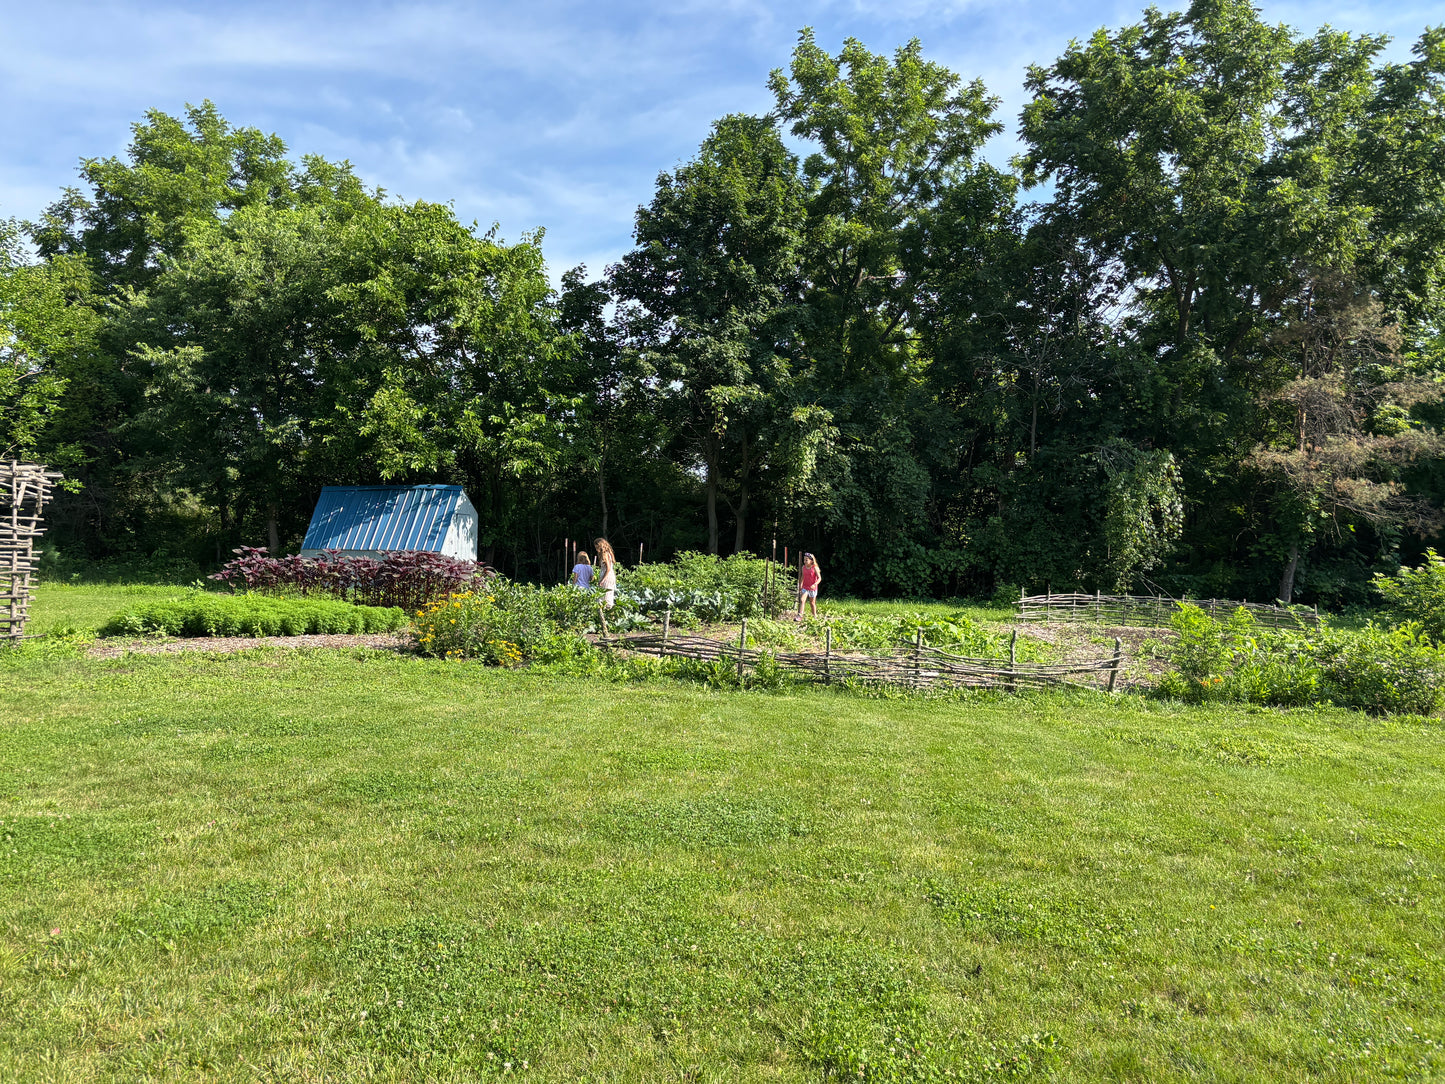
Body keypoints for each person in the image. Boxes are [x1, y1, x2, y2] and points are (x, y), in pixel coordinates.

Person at [594, 537, 618, 609]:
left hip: (607, 577)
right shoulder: (607, 554)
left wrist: (603, 580)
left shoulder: (605, 554)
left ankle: (607, 613)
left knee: (605, 596)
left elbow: (608, 568)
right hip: (608, 576)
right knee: (606, 595)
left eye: (597, 547)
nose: (596, 549)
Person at [796, 552, 822, 618]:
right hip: (805, 587)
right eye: (804, 560)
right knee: (802, 600)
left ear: (811, 561)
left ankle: (814, 616)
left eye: (806, 560)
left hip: (812, 588)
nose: (805, 561)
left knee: (812, 603)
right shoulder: (803, 567)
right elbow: (802, 577)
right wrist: (800, 585)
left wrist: (815, 584)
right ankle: (800, 616)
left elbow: (819, 578)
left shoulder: (815, 568)